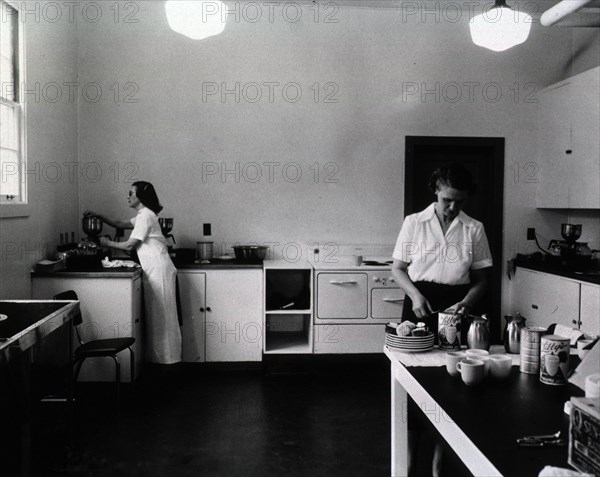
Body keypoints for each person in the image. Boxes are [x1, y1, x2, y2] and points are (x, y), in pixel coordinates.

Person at [391, 163, 493, 476]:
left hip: (455, 307)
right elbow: (397, 268)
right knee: (412, 383)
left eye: (459, 201)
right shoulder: (414, 222)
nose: (452, 207)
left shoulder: (473, 228)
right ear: (436, 189)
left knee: (447, 387)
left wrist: (465, 303)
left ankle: (438, 460)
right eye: (447, 199)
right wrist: (415, 296)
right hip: (419, 303)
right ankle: (408, 459)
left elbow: (481, 279)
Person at [84, 181, 182, 365]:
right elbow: (119, 223)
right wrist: (99, 215)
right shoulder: (144, 215)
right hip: (154, 268)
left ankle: (168, 362)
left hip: (158, 269)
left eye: (131, 193)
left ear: (141, 197)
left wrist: (107, 243)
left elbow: (130, 245)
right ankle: (162, 361)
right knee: (159, 316)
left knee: (162, 317)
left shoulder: (146, 216)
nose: (127, 196)